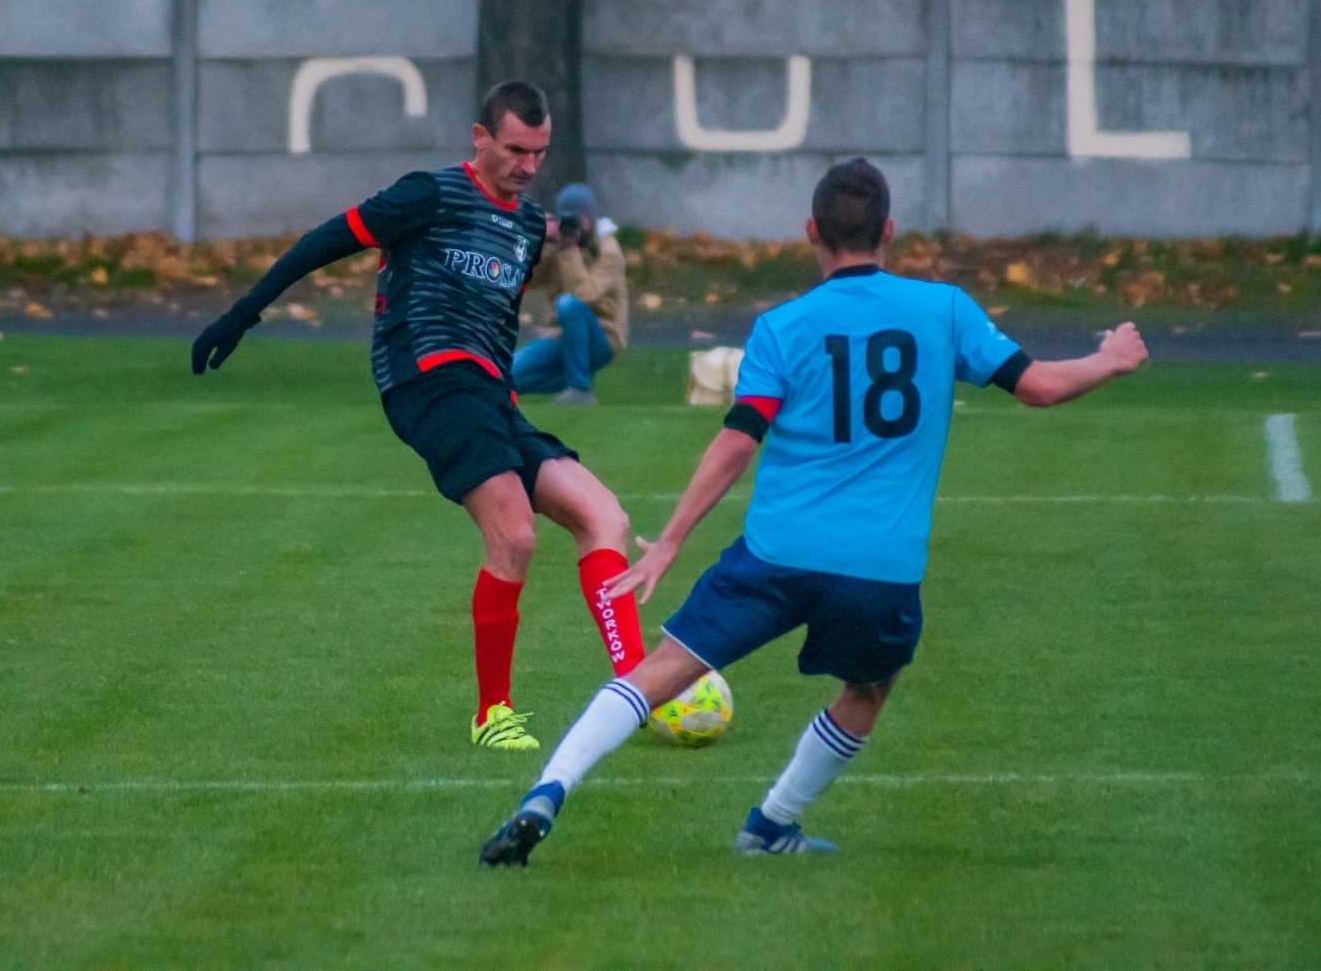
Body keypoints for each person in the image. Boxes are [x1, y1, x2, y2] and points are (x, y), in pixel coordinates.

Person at [479, 158, 1148, 864]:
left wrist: (670, 541)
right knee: (868, 686)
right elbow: (1039, 386)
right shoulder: (944, 310)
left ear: (811, 233)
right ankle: (772, 824)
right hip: (879, 569)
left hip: (775, 555)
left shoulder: (781, 327)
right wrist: (1111, 359)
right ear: (889, 230)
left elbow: (738, 442)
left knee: (662, 669)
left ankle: (548, 790)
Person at [190, 81, 646, 752]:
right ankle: (494, 714)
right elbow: (324, 240)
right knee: (514, 536)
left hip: (489, 397)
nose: (527, 165)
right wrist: (242, 312)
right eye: (515, 149)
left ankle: (635, 689)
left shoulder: (525, 225)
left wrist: (508, 409)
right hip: (427, 380)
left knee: (604, 516)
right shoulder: (427, 195)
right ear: (480, 138)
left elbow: (497, 320)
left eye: (539, 153)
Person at [512, 183, 628, 405]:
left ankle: (580, 389)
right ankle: (571, 379)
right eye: (568, 216)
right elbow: (529, 282)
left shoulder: (608, 250)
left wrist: (569, 249)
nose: (574, 223)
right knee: (506, 377)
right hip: (561, 335)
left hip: (602, 336)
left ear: (591, 216)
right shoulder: (559, 244)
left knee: (567, 303)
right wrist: (541, 243)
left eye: (580, 215)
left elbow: (584, 294)